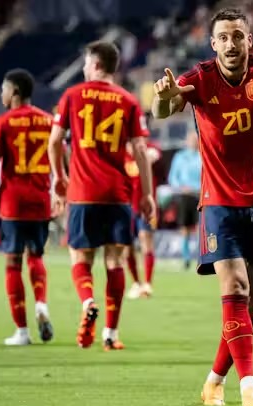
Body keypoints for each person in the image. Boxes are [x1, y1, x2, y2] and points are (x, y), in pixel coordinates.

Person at [151, 8, 253, 406]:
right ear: (213, 44)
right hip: (219, 201)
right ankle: (249, 387)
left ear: (249, 40)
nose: (231, 43)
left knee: (251, 300)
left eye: (238, 35)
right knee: (235, 288)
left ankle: (214, 381)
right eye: (223, 37)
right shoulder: (200, 77)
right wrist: (162, 98)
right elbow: (162, 110)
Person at [48, 41, 155, 351]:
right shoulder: (128, 100)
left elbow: (54, 142)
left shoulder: (72, 96)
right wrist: (147, 194)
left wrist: (59, 178)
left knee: (80, 257)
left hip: (83, 192)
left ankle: (88, 302)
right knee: (115, 261)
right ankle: (110, 333)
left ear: (95, 64)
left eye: (85, 63)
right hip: (118, 194)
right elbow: (140, 150)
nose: (83, 68)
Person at [0, 69, 54, 346]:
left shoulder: (1, 124)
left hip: (13, 203)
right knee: (36, 256)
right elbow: (63, 157)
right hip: (40, 200)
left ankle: (22, 331)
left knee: (13, 263)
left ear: (15, 93)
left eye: (4, 89)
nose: (1, 94)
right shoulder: (48, 121)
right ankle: (41, 304)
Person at [125, 138, 161, 299]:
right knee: (126, 246)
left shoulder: (150, 148)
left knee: (146, 239)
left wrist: (139, 151)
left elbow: (154, 155)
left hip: (146, 206)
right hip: (126, 205)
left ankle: (147, 284)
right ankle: (136, 283)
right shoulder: (121, 153)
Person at [167, 131, 202, 269]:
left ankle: (201, 257)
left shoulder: (202, 156)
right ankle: (186, 257)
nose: (193, 142)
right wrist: (181, 187)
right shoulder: (180, 157)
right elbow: (172, 177)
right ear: (187, 141)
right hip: (184, 196)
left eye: (195, 139)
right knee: (184, 228)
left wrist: (200, 188)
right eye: (191, 139)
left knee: (200, 227)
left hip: (199, 196)